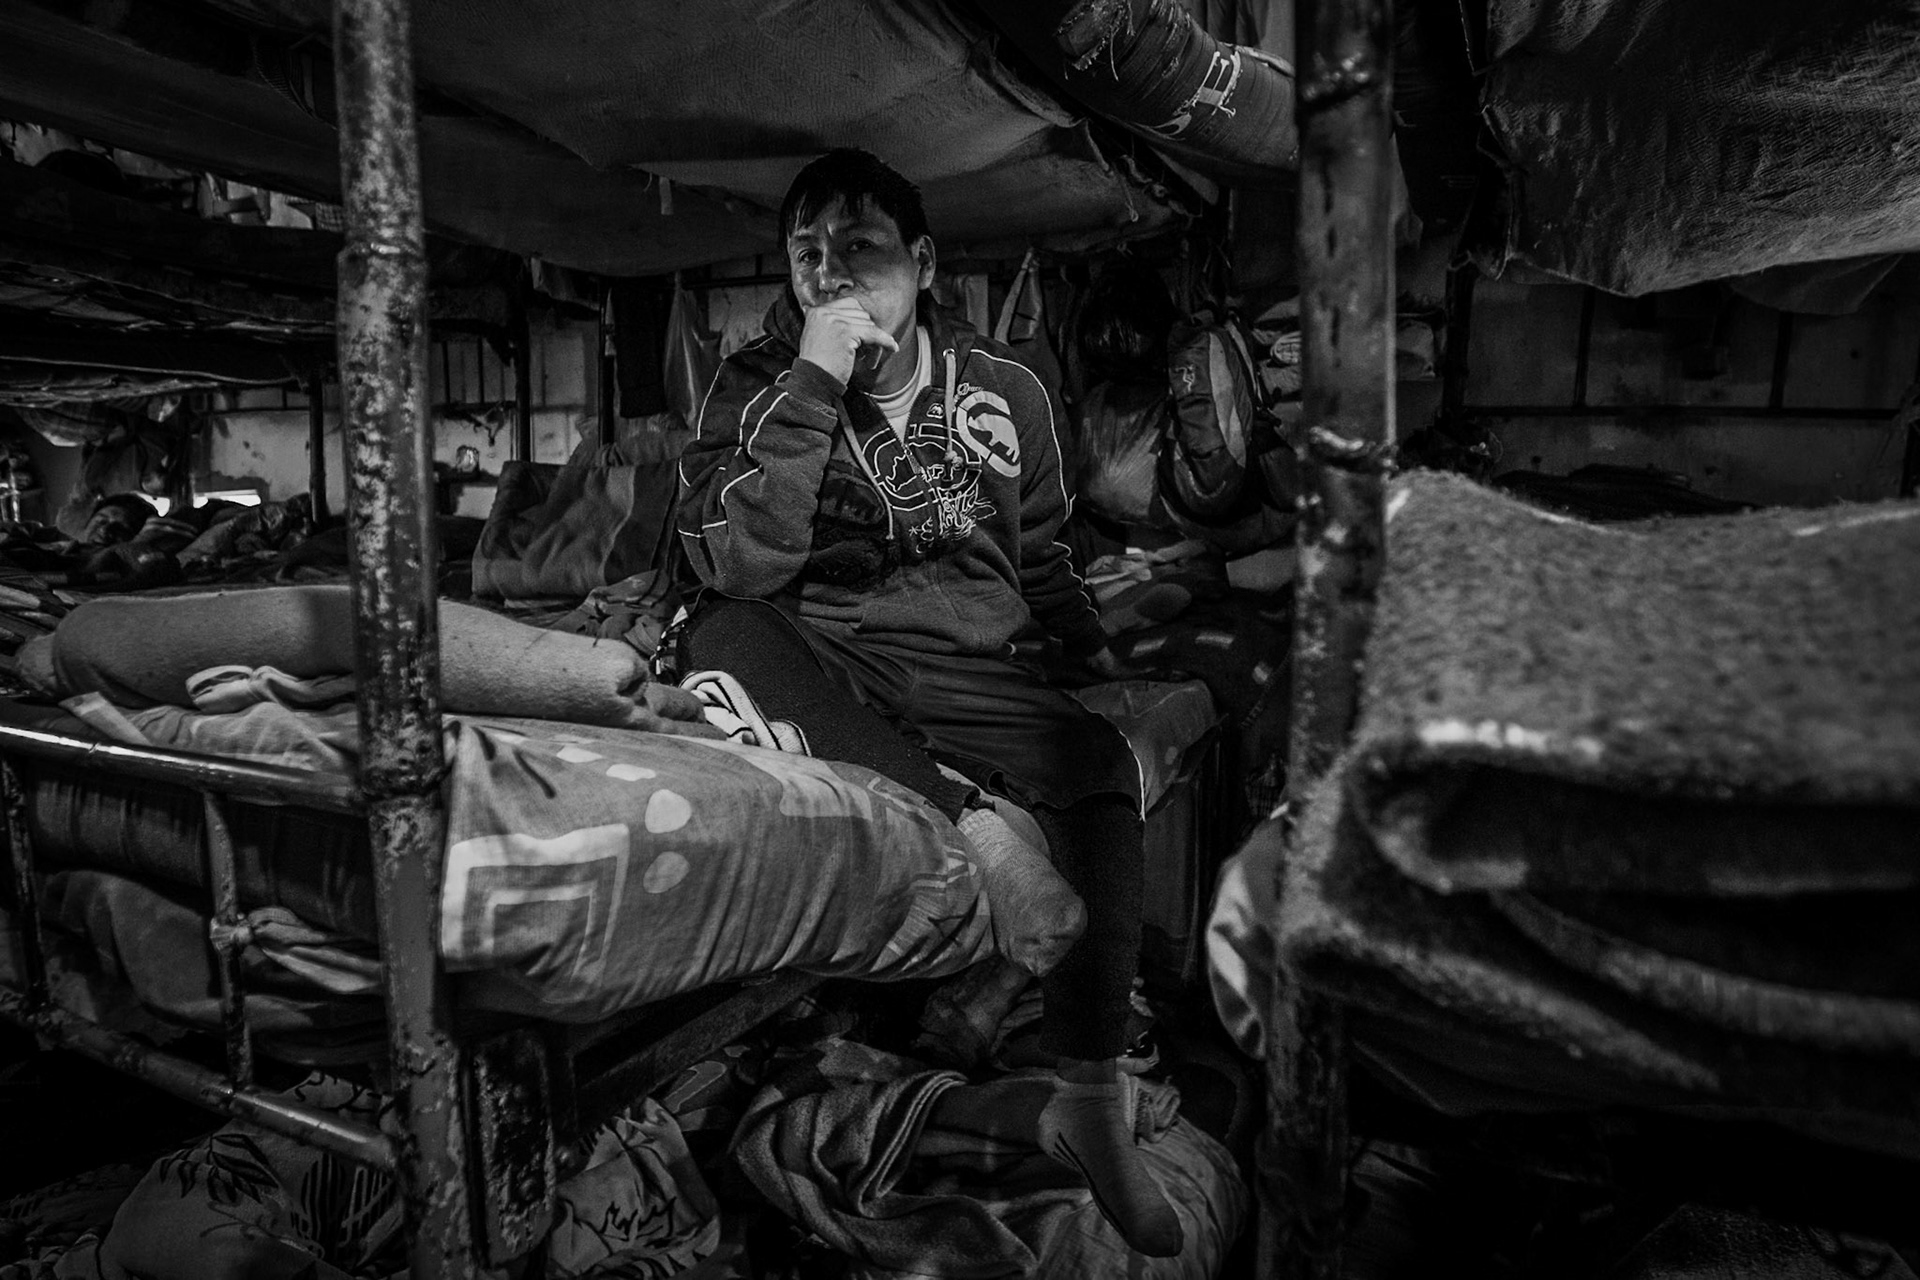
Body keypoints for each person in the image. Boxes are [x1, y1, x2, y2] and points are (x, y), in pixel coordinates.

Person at [674, 148, 1183, 1256]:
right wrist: (811, 379)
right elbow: (740, 565)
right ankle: (977, 831)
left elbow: (1041, 559)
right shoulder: (755, 379)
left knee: (1096, 758)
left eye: (857, 248)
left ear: (922, 260)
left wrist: (1090, 652)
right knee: (715, 636)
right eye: (806, 253)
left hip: (963, 661)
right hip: (821, 645)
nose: (828, 274)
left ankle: (1089, 1097)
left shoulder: (1008, 388)